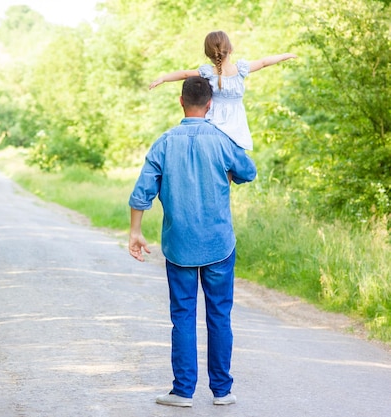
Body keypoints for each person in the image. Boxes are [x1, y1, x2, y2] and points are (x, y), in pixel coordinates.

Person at [128, 76, 257, 408]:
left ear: (181, 101)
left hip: (180, 245)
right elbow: (248, 172)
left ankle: (183, 392)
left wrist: (135, 232)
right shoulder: (222, 140)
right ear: (210, 104)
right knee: (219, 315)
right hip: (218, 244)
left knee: (183, 315)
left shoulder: (165, 142)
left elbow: (142, 193)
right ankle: (222, 391)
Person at [149, 30, 297, 150]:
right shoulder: (240, 70)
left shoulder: (209, 73)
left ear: (208, 55)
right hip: (236, 123)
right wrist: (285, 55)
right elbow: (264, 62)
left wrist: (163, 78)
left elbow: (185, 74)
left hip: (214, 122)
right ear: (230, 49)